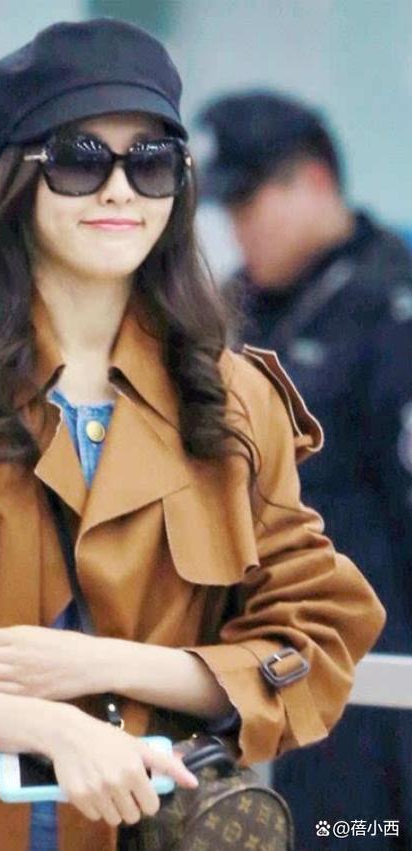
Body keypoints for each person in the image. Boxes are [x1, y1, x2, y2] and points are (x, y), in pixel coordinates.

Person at [0, 22, 385, 851]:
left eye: (152, 160)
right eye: (79, 158)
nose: (120, 190)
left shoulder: (236, 398)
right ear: (5, 182)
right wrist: (50, 725)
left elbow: (314, 639)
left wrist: (105, 666)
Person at [195, 89, 412, 850]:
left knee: (354, 833)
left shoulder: (391, 307)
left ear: (314, 182)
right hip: (266, 662)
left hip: (375, 662)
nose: (238, 228)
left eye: (249, 203)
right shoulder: (235, 312)